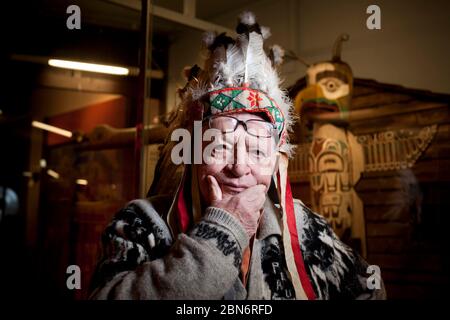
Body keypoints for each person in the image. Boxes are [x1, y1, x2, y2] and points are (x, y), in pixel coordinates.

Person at [89, 12, 386, 300]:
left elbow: (369, 287)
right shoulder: (140, 225)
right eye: (220, 146)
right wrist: (221, 233)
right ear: (193, 152)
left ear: (276, 160)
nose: (239, 167)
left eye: (257, 150)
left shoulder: (308, 229)